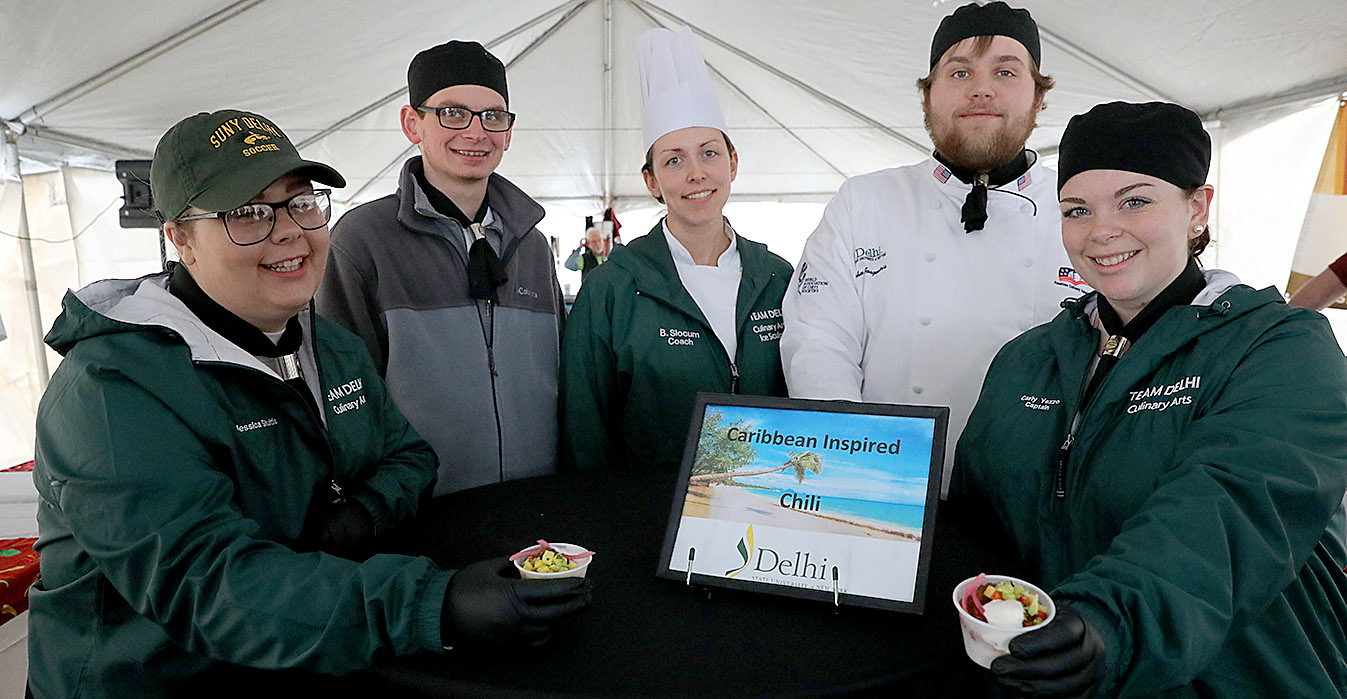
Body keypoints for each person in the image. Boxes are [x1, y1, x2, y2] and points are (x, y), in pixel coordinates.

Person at [27, 110, 589, 697]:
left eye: (301, 202)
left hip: (309, 656)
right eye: (247, 213)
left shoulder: (329, 346)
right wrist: (429, 604)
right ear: (180, 239)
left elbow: (409, 457)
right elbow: (205, 584)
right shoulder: (113, 388)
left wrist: (359, 515)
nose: (290, 230)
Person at [954, 101, 1347, 697]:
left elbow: (1232, 510)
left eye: (1134, 201)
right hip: (1054, 673)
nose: (1101, 231)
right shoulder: (1027, 359)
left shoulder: (1280, 347)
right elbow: (977, 519)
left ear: (1196, 209)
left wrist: (1108, 621)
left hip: (1239, 672)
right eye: (1076, 210)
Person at [781, 1, 1086, 494]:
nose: (980, 88)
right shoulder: (864, 201)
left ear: (1038, 98)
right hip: (884, 491)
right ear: (928, 98)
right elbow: (818, 342)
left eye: (1005, 71)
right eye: (959, 71)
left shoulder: (1081, 210)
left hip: (1034, 507)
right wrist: (849, 472)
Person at [316, 40, 564, 495]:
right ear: (413, 123)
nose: (475, 132)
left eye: (492, 116)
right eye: (452, 113)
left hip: (537, 513)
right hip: (421, 513)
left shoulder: (531, 244)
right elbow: (344, 397)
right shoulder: (363, 239)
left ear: (508, 132)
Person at [560, 27, 792, 471]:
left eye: (709, 153)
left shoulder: (779, 277)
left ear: (733, 162)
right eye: (673, 160)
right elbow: (584, 430)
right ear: (651, 182)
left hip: (762, 509)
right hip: (646, 516)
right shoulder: (612, 288)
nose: (696, 174)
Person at [563, 216, 609, 282]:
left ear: (603, 241)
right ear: (588, 244)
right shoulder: (584, 259)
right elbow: (568, 264)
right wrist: (579, 248)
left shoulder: (610, 255)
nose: (597, 244)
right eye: (593, 241)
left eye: (599, 240)